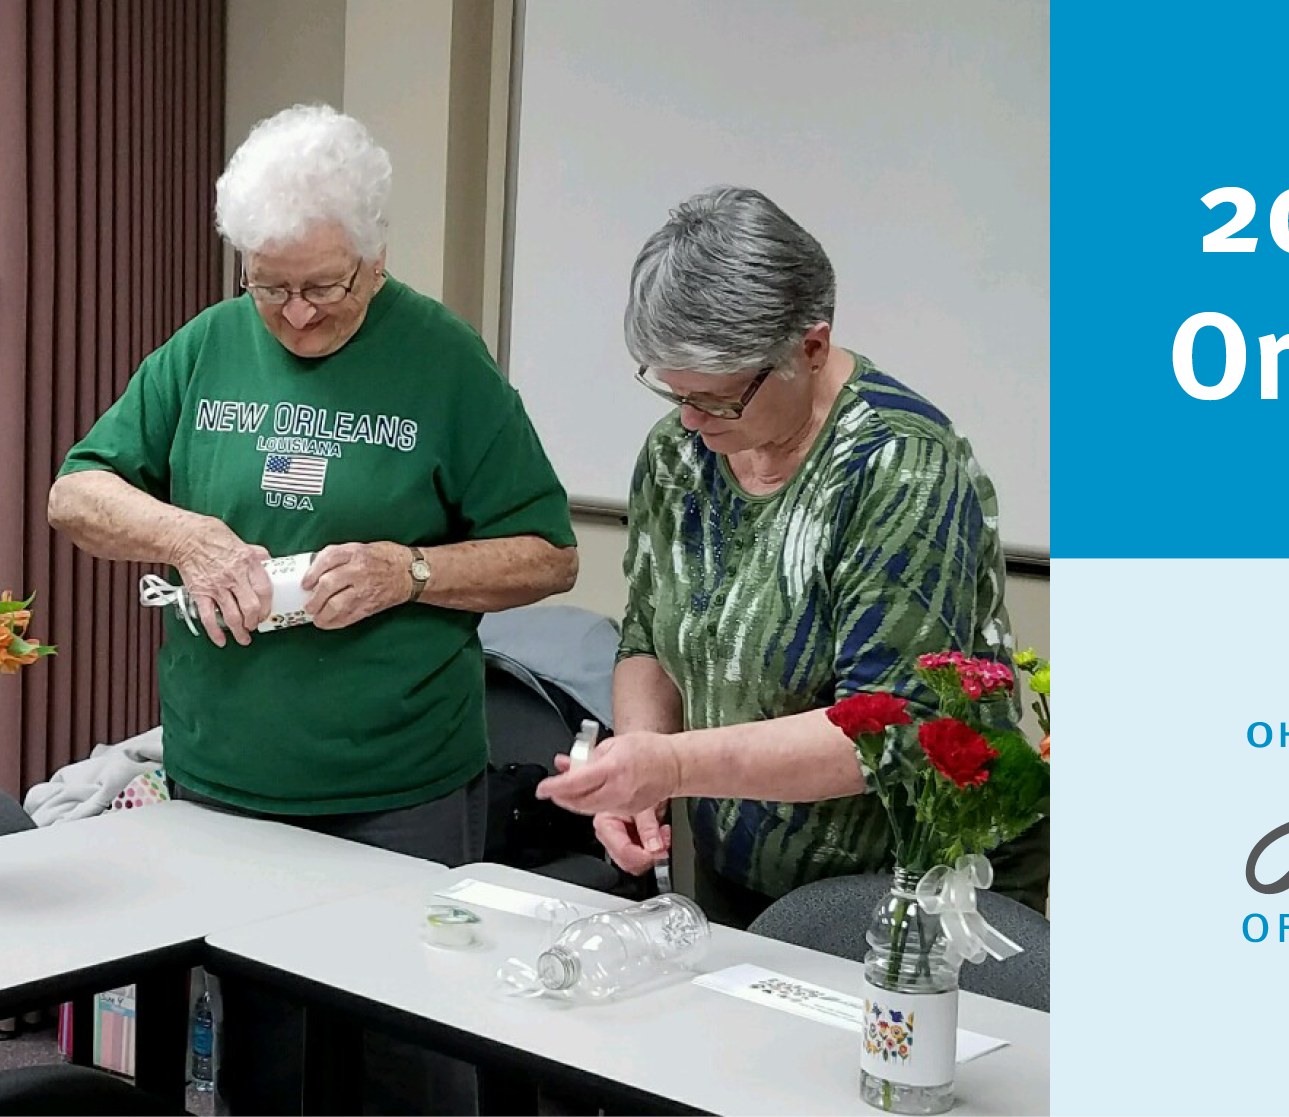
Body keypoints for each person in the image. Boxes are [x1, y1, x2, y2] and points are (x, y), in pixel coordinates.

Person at [46, 104, 576, 1113]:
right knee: (261, 1062)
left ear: (375, 259)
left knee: (405, 1062)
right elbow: (77, 493)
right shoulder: (206, 348)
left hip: (397, 792)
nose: (294, 314)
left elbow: (548, 555)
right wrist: (188, 536)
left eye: (323, 287)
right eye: (269, 285)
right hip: (225, 783)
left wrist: (408, 571)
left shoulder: (444, 360)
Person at [536, 186, 1047, 925]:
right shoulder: (681, 453)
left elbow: (883, 729)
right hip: (743, 869)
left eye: (717, 398)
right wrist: (637, 767)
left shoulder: (898, 465)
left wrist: (671, 765)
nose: (690, 419)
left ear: (810, 348)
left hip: (913, 891)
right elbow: (648, 634)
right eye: (674, 392)